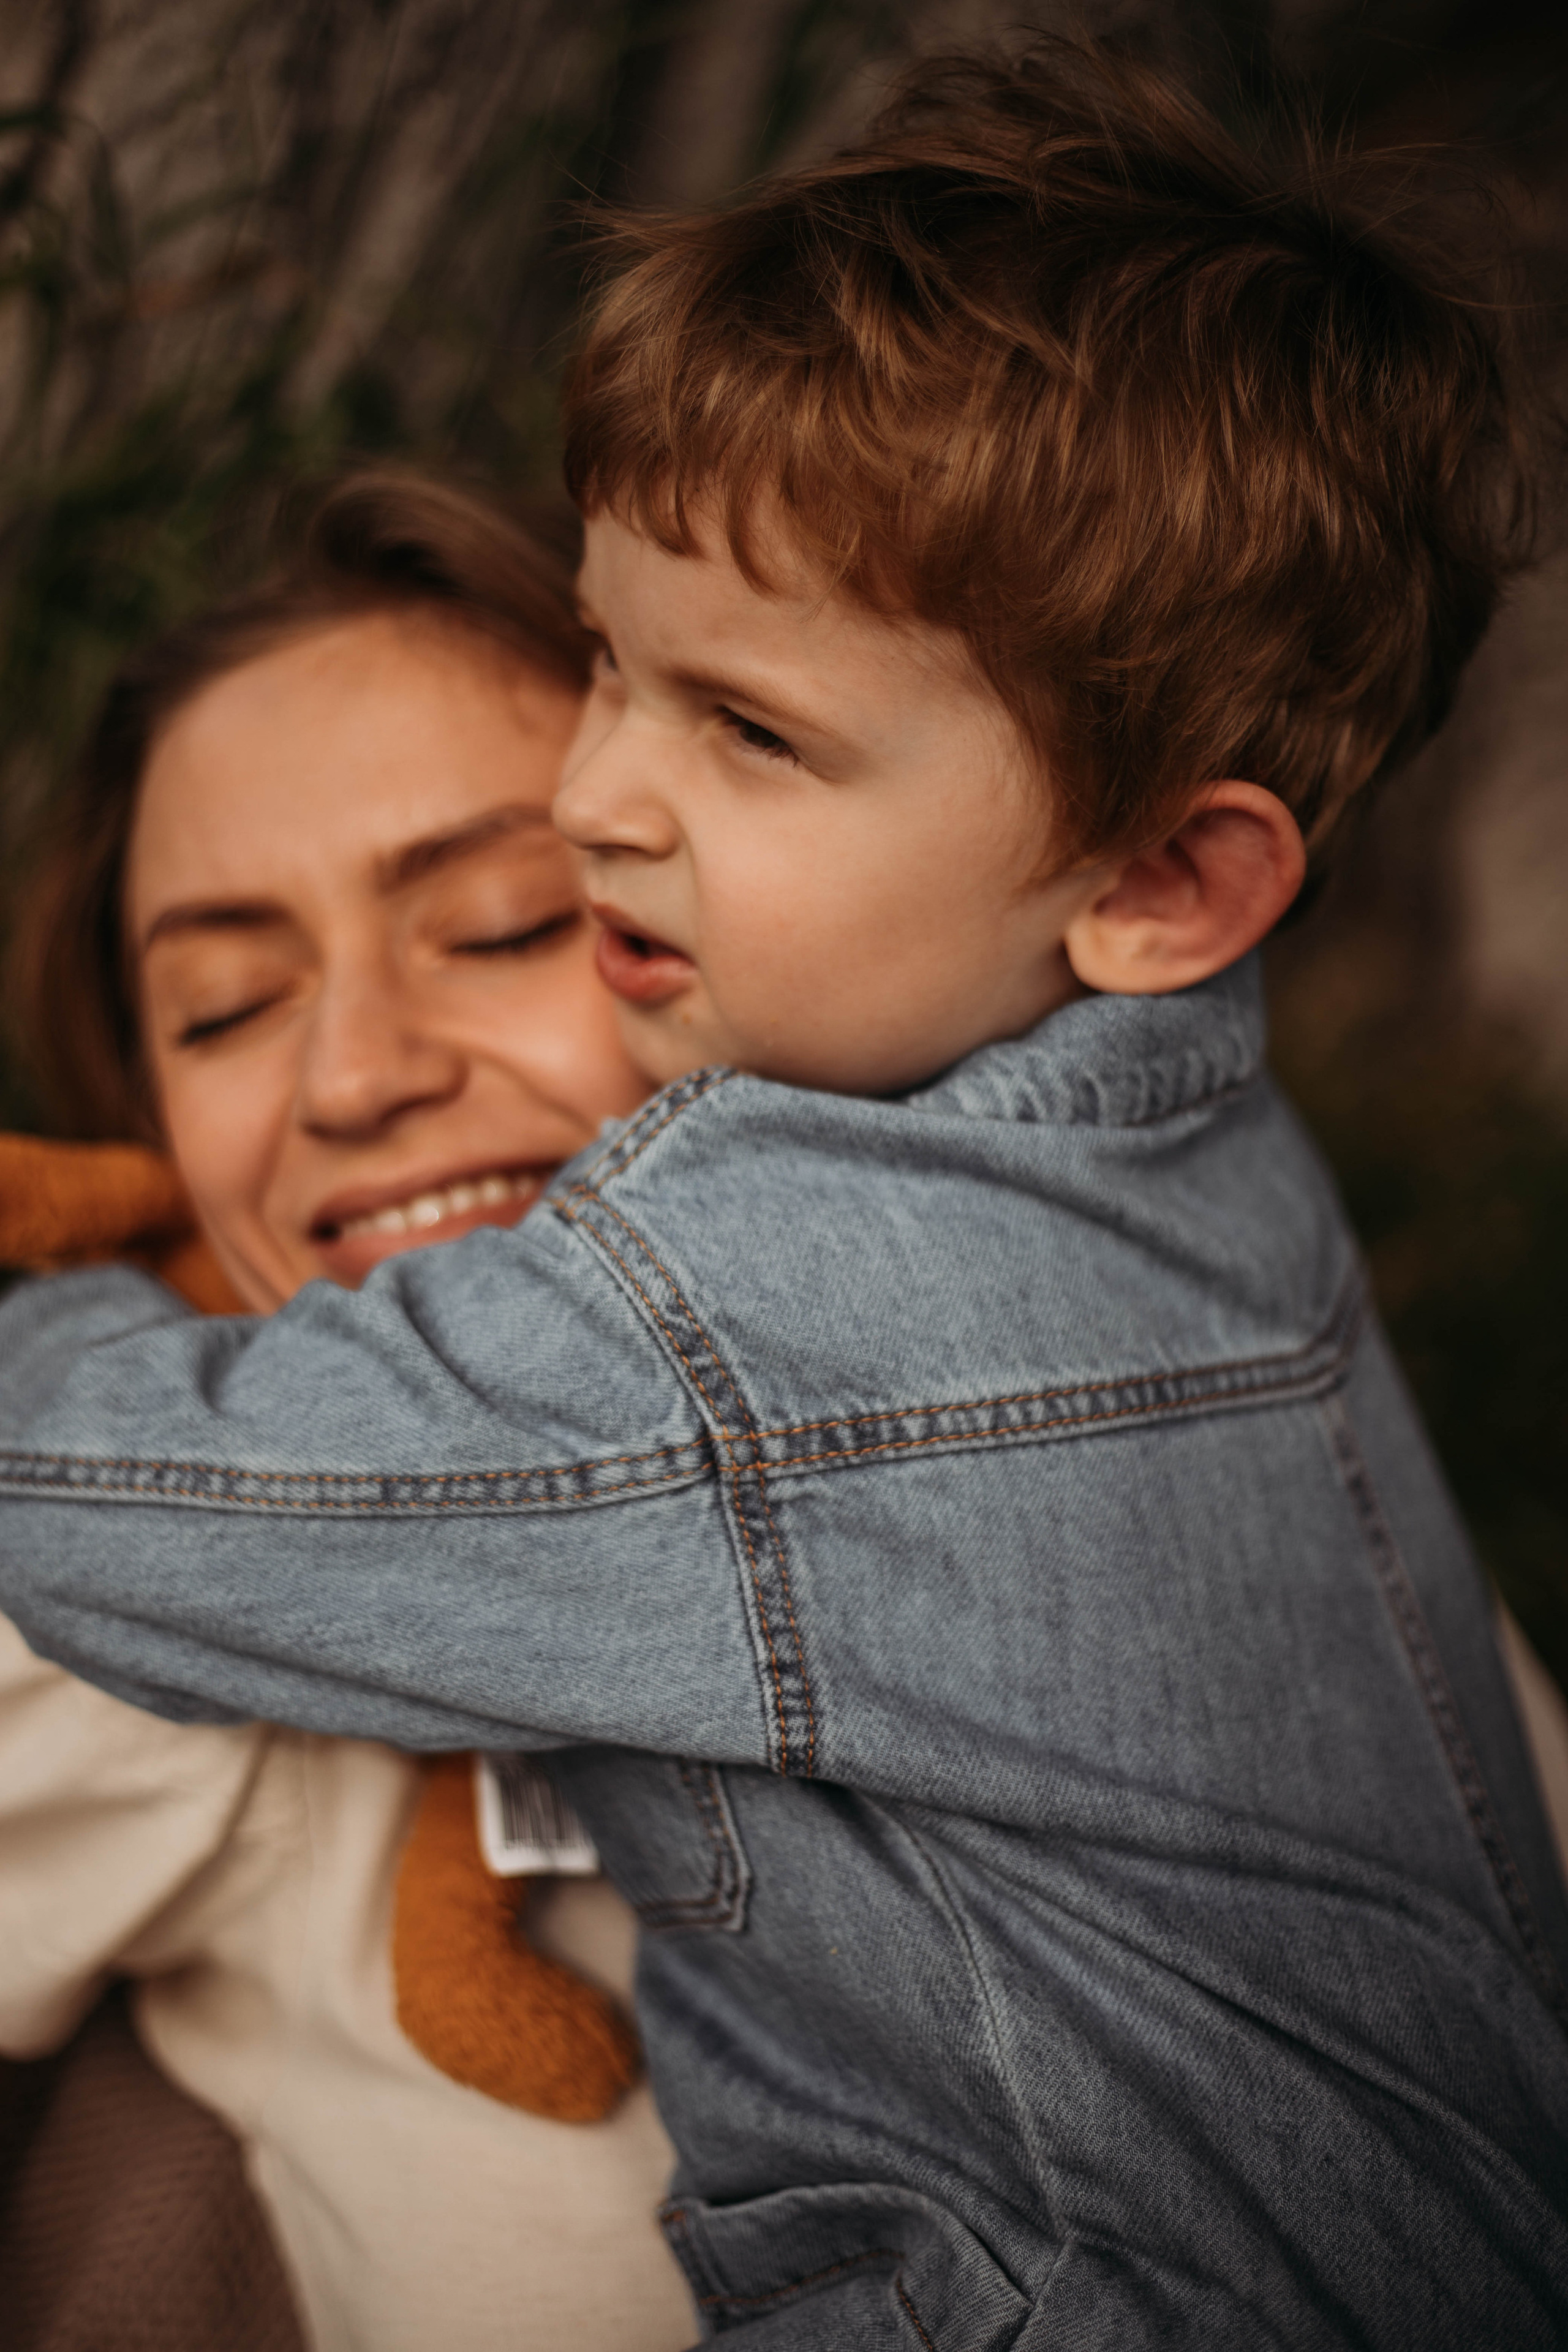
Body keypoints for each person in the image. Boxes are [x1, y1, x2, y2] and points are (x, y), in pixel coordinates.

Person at [0, 40, 1566, 2348]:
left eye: (744, 733)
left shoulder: (763, 1316)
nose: (608, 794)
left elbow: (110, 1480)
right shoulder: (1204, 1206)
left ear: (1161, 879)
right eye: (612, 672)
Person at [0, 472, 697, 2352]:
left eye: (497, 923)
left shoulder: (1132, 1420)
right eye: (224, 1007)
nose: (356, 1071)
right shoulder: (147, 1619)